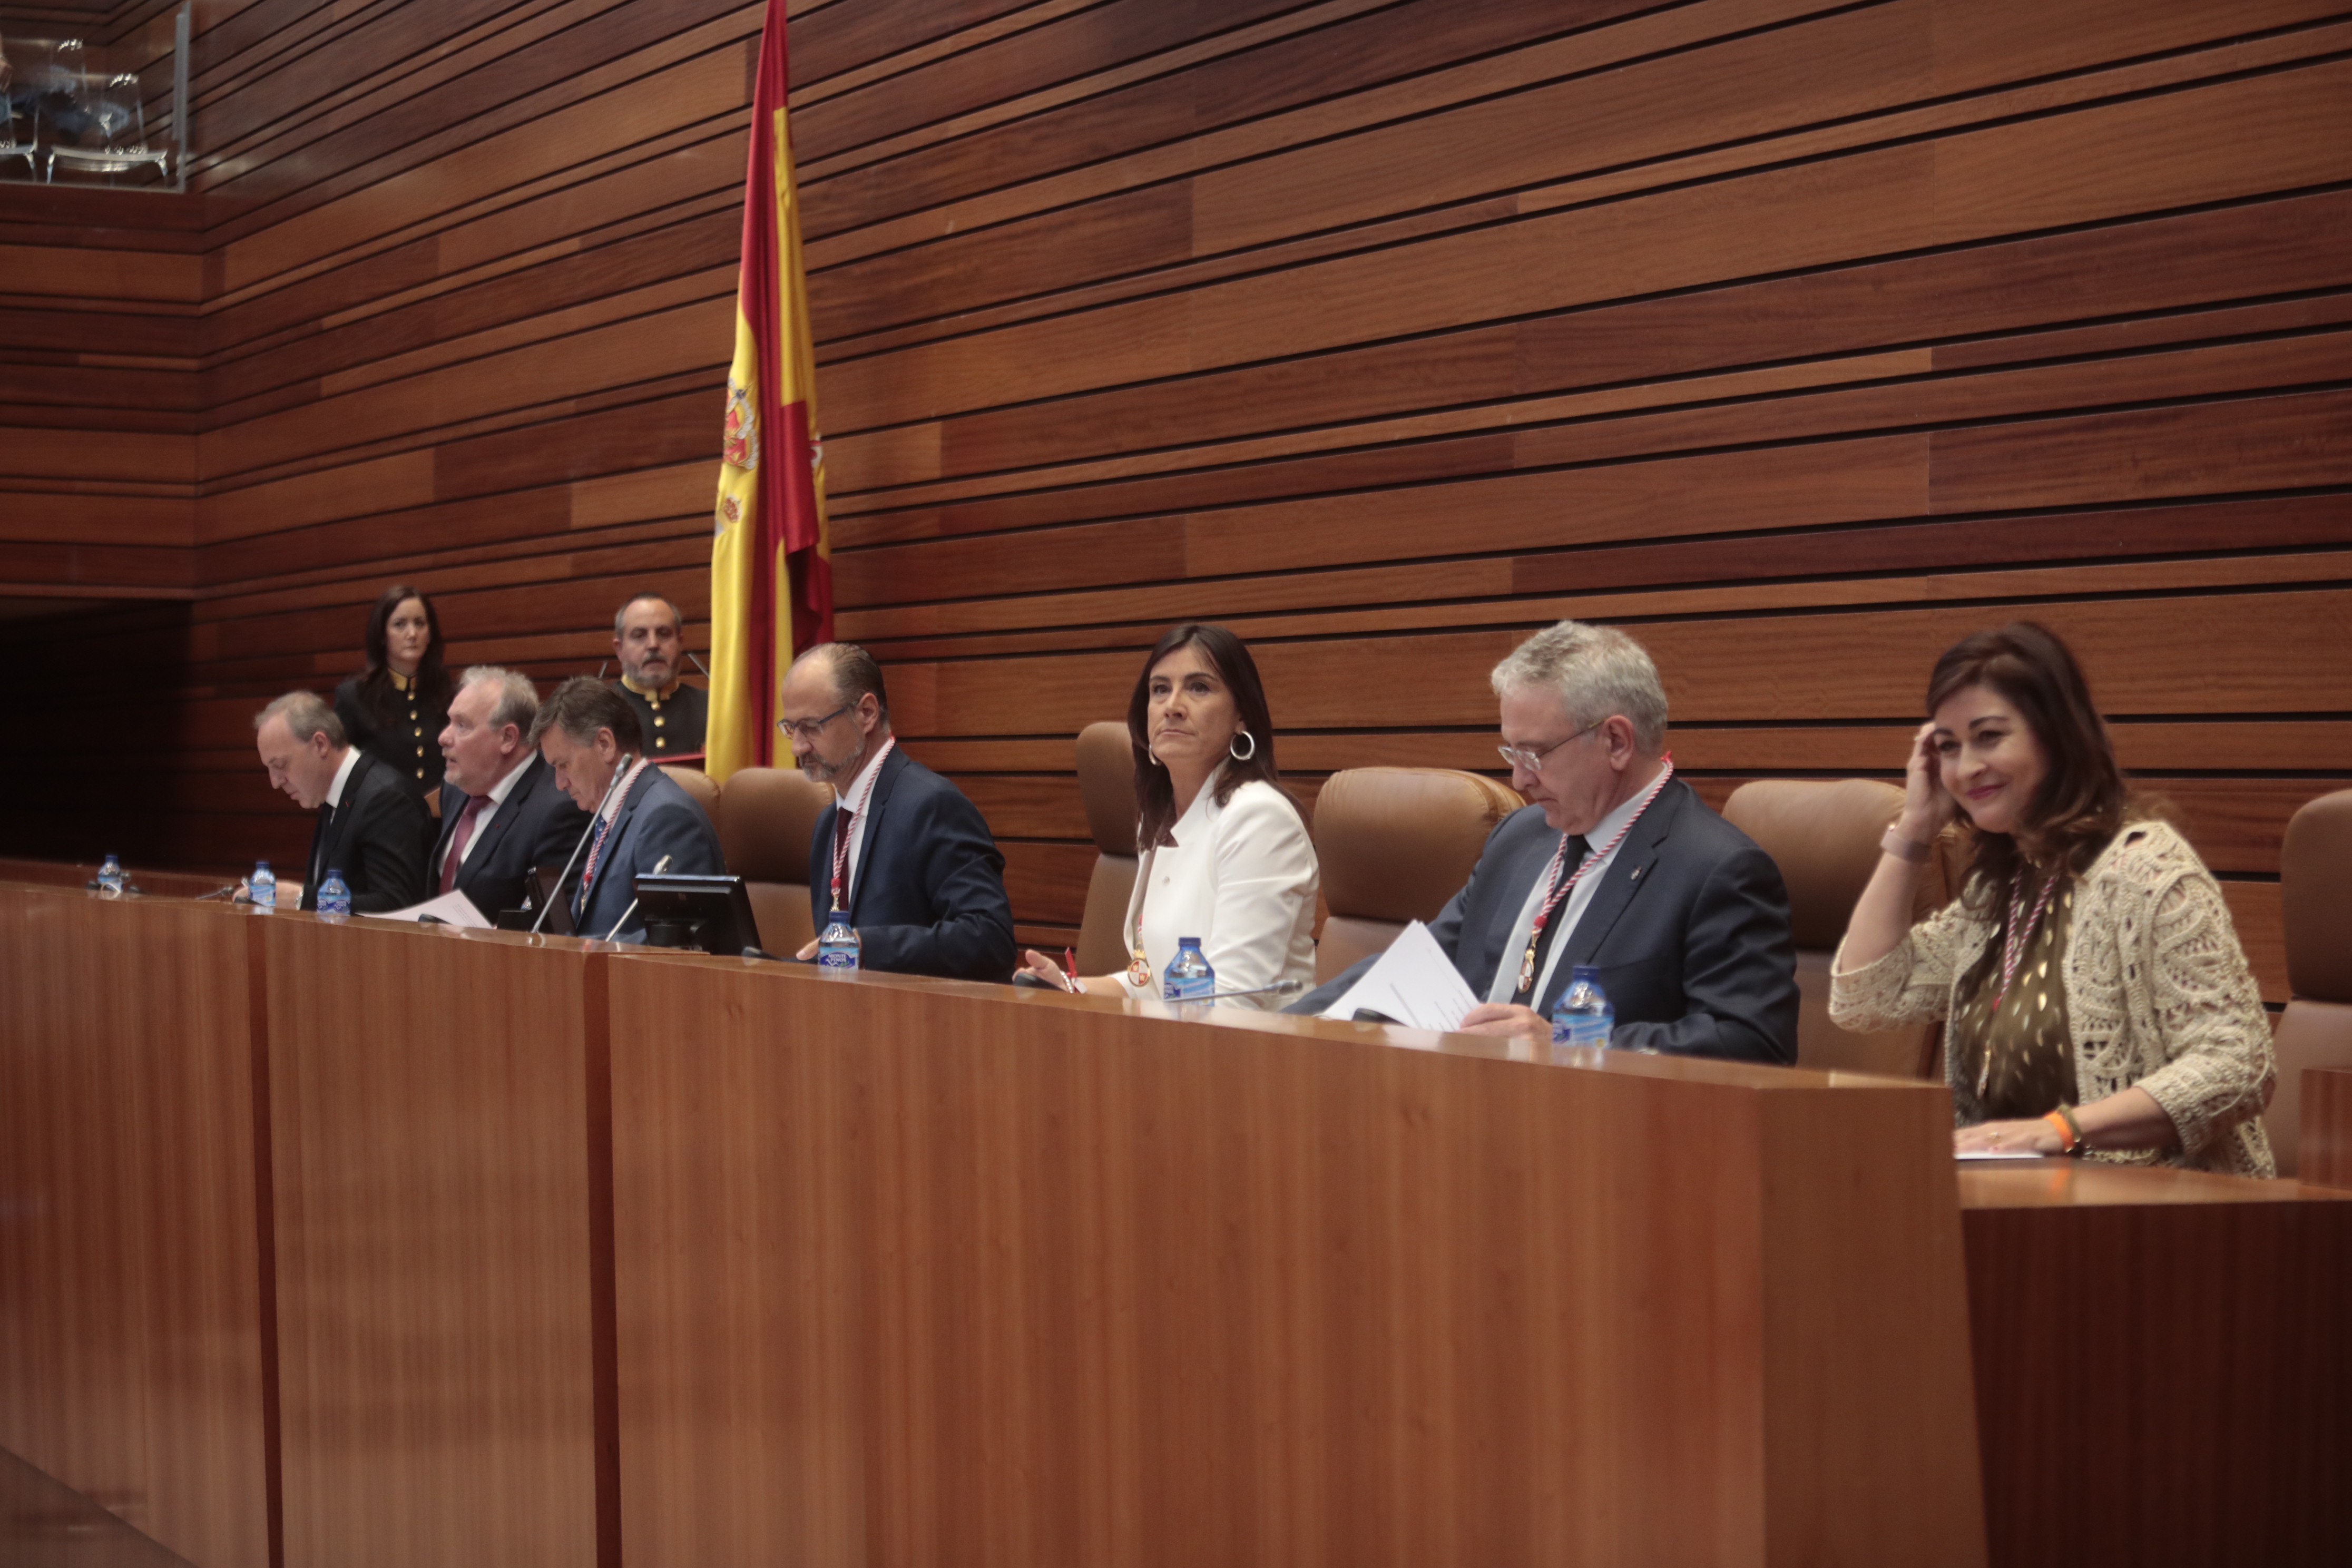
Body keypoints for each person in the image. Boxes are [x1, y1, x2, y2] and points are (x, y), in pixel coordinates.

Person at [1830, 623, 2275, 1174]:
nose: (1966, 768)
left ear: (2056, 736)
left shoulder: (2148, 872)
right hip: (2019, 1207)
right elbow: (1867, 997)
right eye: (1948, 747)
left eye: (1989, 737)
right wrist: (1916, 827)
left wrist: (2061, 1130)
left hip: (2162, 1217)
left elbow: (2238, 1066)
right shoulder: (2001, 890)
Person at [1288, 620, 1799, 1062]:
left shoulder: (1717, 869)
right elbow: (1423, 966)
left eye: (1534, 754)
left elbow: (1752, 1042)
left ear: (1616, 741)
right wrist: (1286, 1026)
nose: (1518, 781)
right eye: (1512, 752)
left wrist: (1566, 1043)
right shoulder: (1521, 837)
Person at [1014, 624, 1317, 1007]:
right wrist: (1070, 989)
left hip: (1261, 1057)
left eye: (1199, 687)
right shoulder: (1159, 820)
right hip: (1180, 1044)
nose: (1173, 705)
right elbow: (1153, 982)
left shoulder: (1259, 820)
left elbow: (1233, 1003)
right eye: (1160, 689)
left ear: (1242, 715)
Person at [780, 643, 1016, 981]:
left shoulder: (930, 806)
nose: (797, 747)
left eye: (812, 727)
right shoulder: (828, 823)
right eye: (791, 728)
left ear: (866, 713)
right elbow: (834, 959)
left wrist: (869, 947)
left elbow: (991, 939)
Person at [528, 677, 723, 943]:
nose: (560, 784)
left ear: (605, 744)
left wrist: (586, 950)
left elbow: (678, 939)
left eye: (563, 765)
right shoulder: (611, 815)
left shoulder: (666, 818)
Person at [428, 666, 592, 923]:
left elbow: (549, 927)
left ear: (508, 738)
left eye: (462, 725)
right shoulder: (455, 787)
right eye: (449, 722)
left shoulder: (558, 811)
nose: (443, 737)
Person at [253, 691, 429, 914]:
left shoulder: (386, 798)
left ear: (320, 744)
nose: (275, 783)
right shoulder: (333, 793)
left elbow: (396, 907)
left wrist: (303, 898)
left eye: (280, 765)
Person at [334, 583, 454, 801]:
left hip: (441, 823)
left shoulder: (448, 692)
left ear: (430, 634)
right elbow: (340, 772)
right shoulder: (355, 696)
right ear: (382, 635)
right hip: (384, 821)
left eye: (420, 624)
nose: (412, 634)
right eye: (400, 625)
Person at [608, 592, 708, 758]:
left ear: (680, 643)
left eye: (664, 633)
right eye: (639, 635)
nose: (653, 645)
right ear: (619, 649)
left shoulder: (710, 708)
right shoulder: (596, 712)